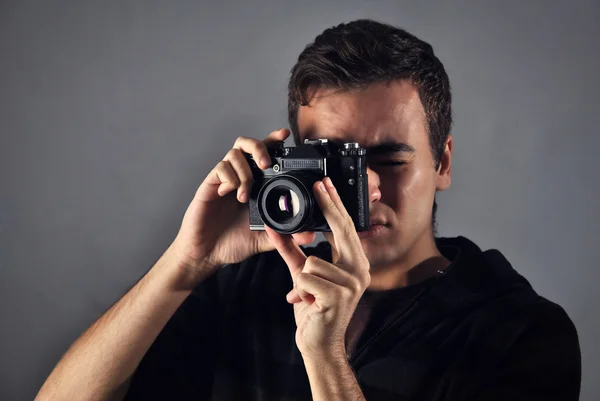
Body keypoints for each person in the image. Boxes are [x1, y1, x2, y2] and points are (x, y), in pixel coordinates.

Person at [35, 19, 581, 401]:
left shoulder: (523, 332)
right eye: (334, 163)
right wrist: (184, 264)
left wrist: (325, 358)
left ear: (442, 162)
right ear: (293, 160)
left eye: (390, 160)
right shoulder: (243, 290)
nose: (365, 188)